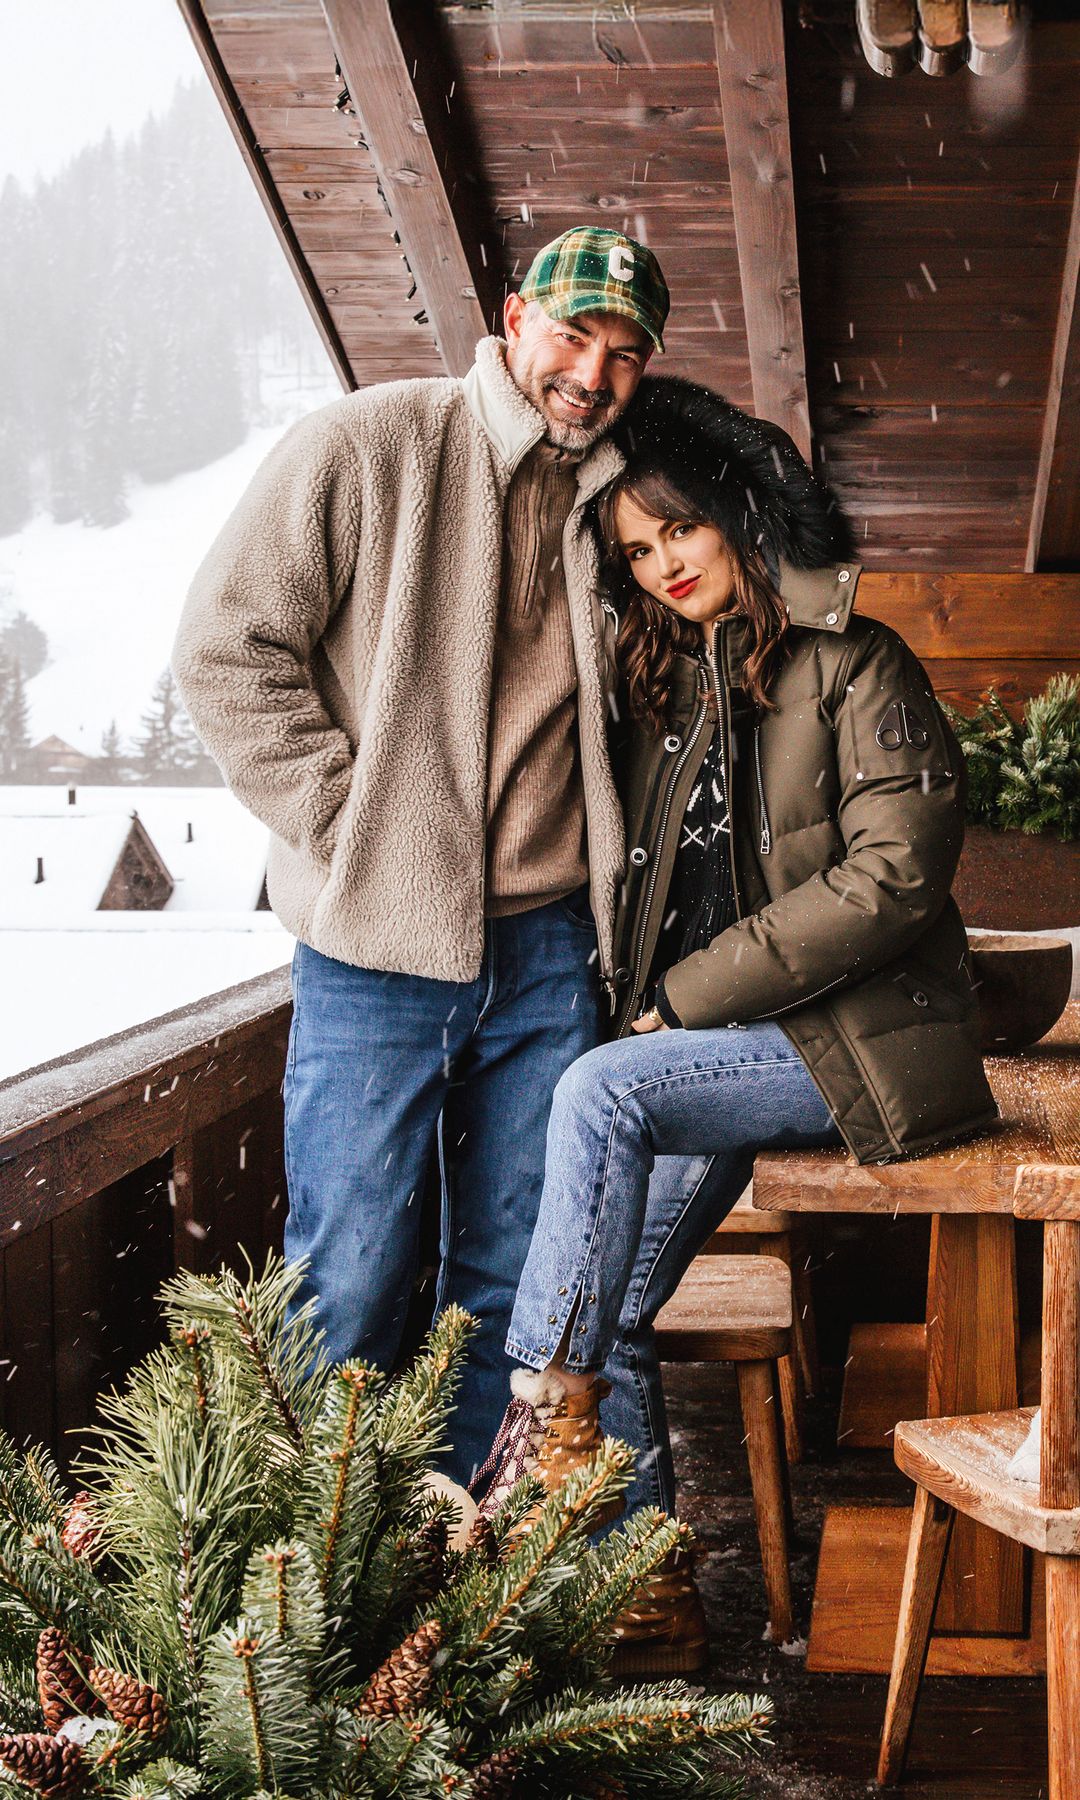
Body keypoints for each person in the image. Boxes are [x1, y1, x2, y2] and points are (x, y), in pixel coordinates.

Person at [472, 375, 1000, 1668]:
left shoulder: (858, 666)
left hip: (855, 1035)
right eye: (638, 552)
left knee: (601, 1097)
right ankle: (653, 1612)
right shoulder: (665, 691)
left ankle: (528, 1451)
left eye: (681, 534)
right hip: (716, 1057)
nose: (663, 568)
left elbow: (892, 878)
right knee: (614, 1303)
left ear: (739, 518)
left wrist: (676, 1007)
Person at [171, 227, 670, 1484]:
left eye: (623, 353)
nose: (591, 372)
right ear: (512, 320)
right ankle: (304, 1602)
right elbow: (228, 650)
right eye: (572, 335)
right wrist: (353, 830)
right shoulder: (368, 443)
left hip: (553, 947)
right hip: (372, 952)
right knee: (348, 1274)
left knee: (520, 1280)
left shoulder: (625, 502)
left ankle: (471, 1590)